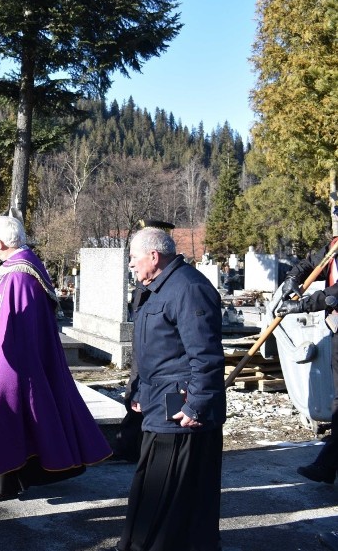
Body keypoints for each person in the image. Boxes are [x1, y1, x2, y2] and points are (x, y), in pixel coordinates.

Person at [0, 215, 111, 502]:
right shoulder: (24, 269)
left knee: (5, 416)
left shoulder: (17, 277)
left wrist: (2, 371)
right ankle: (16, 478)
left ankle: (4, 483)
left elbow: (12, 328)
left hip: (12, 364)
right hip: (25, 360)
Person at [116, 227, 226, 551]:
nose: (131, 266)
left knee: (170, 495)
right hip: (158, 406)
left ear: (154, 255)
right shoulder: (154, 289)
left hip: (181, 413)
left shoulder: (189, 288)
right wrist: (135, 391)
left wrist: (197, 405)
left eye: (134, 259)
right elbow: (149, 348)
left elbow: (205, 354)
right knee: (152, 488)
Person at [112, 219, 175, 463]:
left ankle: (134, 447)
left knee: (143, 397)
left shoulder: (170, 280)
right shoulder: (144, 277)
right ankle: (128, 446)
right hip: (144, 341)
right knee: (134, 394)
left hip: (157, 351)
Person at [276, 237, 338, 484]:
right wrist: (293, 277)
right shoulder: (335, 244)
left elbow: (334, 294)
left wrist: (301, 306)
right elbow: (312, 262)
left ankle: (326, 464)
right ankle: (327, 465)